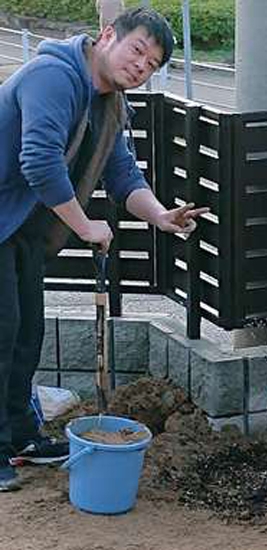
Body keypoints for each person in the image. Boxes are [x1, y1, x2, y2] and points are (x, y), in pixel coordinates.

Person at [0, 7, 208, 491]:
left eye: (152, 64)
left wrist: (160, 215)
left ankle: (20, 437)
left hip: (19, 231)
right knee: (1, 335)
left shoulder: (110, 104)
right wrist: (86, 226)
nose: (141, 67)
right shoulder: (54, 76)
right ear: (107, 35)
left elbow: (122, 174)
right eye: (137, 50)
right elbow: (40, 160)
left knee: (26, 334)